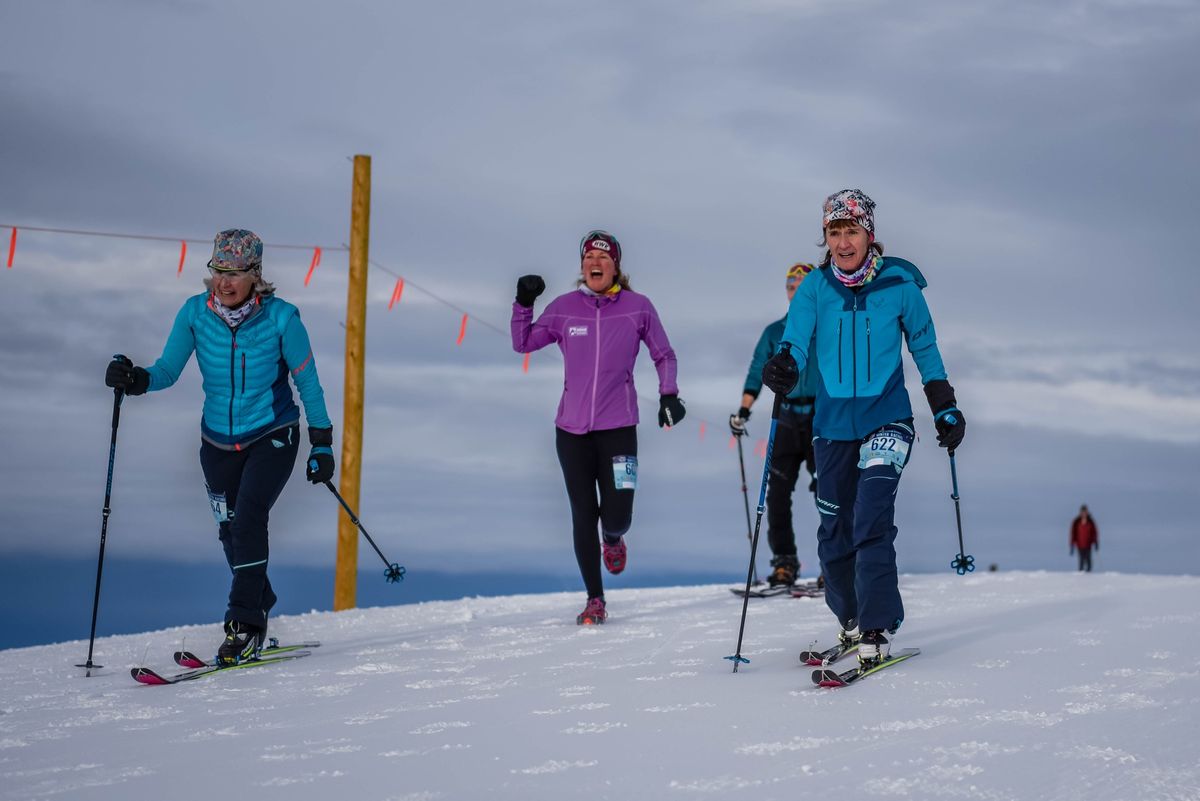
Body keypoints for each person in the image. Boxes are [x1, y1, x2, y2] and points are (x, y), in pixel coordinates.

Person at [104, 229, 333, 664]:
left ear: (256, 275)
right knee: (229, 530)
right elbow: (167, 370)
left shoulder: (283, 319)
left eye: (236, 273)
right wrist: (135, 380)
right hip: (216, 441)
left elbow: (309, 384)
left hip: (273, 433)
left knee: (249, 519)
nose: (224, 282)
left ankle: (243, 623)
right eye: (218, 271)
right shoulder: (194, 313)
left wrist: (322, 444)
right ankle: (259, 598)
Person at [761, 189, 966, 667]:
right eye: (835, 232)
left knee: (870, 516)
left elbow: (924, 346)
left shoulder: (899, 283)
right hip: (831, 426)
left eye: (852, 230)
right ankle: (851, 621)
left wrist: (945, 406)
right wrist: (784, 366)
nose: (843, 241)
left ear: (869, 235)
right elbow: (794, 341)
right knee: (834, 529)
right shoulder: (815, 287)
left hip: (887, 419)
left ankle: (877, 624)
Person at [511, 229, 683, 625]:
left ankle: (614, 538)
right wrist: (524, 302)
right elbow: (523, 343)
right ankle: (595, 598)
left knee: (618, 514)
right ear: (582, 265)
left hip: (620, 426)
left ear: (616, 267)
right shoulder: (565, 308)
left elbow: (664, 354)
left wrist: (669, 395)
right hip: (570, 432)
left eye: (604, 258)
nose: (595, 263)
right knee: (582, 514)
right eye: (589, 257)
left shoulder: (638, 307)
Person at [730, 262, 821, 587]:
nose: (795, 292)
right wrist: (743, 410)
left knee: (827, 489)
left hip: (820, 417)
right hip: (785, 415)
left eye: (802, 287)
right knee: (777, 492)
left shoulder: (825, 326)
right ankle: (784, 561)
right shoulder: (775, 332)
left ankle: (835, 561)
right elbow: (757, 369)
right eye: (791, 287)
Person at [1070, 505, 1099, 572]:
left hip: (1088, 544)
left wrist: (1096, 542)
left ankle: (1089, 576)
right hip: (1079, 544)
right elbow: (1073, 533)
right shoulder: (1076, 521)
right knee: (1081, 560)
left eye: (1085, 512)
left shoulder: (1090, 522)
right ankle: (1081, 576)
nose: (1084, 513)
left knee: (1088, 560)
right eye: (1082, 512)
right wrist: (1072, 544)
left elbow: (1094, 533)